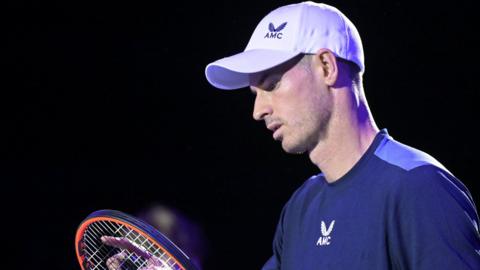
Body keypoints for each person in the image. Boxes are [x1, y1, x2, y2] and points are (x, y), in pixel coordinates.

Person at [204, 1, 480, 269]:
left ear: (326, 66)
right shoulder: (301, 207)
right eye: (255, 94)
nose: (258, 110)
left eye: (272, 84)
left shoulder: (419, 187)